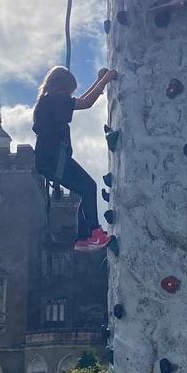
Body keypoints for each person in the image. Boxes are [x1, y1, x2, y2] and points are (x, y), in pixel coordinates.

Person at [32, 65, 117, 253]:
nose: (70, 95)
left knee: (84, 189)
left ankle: (84, 237)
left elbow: (78, 101)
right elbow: (86, 103)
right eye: (69, 90)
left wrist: (99, 80)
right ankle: (93, 233)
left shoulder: (48, 101)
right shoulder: (54, 100)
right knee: (89, 187)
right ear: (62, 87)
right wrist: (106, 79)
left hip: (49, 159)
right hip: (54, 158)